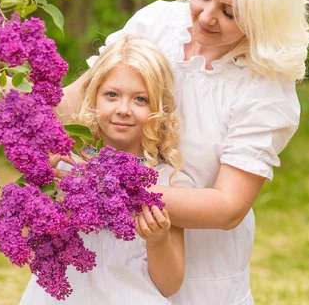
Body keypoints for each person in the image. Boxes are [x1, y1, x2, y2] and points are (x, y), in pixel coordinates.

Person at [55, 0, 309, 304]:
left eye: (230, 11)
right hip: (110, 259)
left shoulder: (265, 87)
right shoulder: (157, 23)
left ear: (263, 15)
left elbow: (228, 207)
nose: (207, 17)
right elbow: (78, 102)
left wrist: (107, 188)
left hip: (197, 270)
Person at [19, 35, 195, 304]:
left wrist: (158, 240)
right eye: (112, 95)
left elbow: (170, 284)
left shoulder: (166, 182)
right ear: (94, 97)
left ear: (160, 109)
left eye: (140, 99)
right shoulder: (67, 164)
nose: (123, 109)